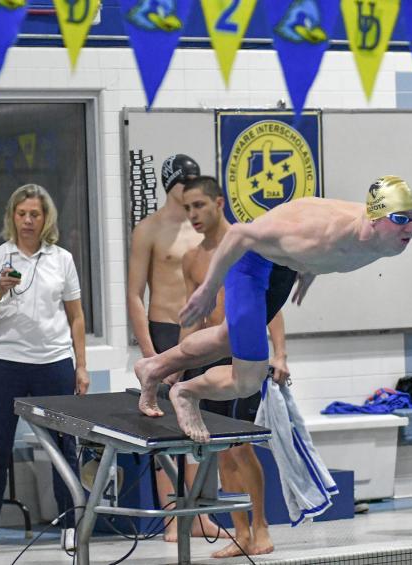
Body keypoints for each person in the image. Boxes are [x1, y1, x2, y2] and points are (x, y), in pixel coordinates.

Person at [135, 175, 412, 442]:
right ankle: (186, 392)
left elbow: (319, 224)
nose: (411, 228)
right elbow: (238, 234)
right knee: (248, 379)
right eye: (400, 219)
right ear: (374, 217)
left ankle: (153, 367)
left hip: (283, 268)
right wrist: (209, 289)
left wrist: (311, 267)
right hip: (250, 264)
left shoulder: (381, 236)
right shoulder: (318, 235)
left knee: (227, 340)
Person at [0, 184, 87, 554]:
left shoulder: (62, 259)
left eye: (35, 214)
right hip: (5, 363)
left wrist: (81, 366)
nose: (28, 221)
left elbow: (77, 317)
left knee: (64, 447)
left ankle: (71, 525)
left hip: (53, 362)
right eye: (22, 214)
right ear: (12, 217)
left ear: (45, 217)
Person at [179, 176, 281, 557]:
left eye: (200, 206)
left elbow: (269, 305)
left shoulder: (246, 244)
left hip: (244, 355)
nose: (193, 215)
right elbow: (190, 316)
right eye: (188, 208)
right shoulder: (191, 258)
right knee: (222, 449)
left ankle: (261, 527)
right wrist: (176, 364)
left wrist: (281, 353)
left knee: (241, 448)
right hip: (208, 359)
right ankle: (240, 533)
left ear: (219, 202)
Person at [127, 154, 223, 541]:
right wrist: (151, 353)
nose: (191, 193)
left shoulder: (201, 229)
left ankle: (198, 514)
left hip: (201, 334)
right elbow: (135, 295)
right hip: (163, 334)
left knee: (201, 426)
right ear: (171, 185)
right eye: (186, 184)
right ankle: (172, 519)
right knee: (164, 427)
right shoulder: (148, 229)